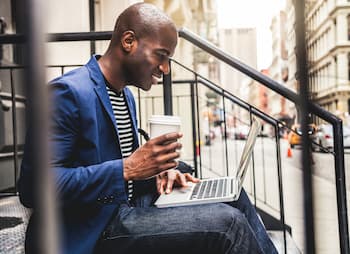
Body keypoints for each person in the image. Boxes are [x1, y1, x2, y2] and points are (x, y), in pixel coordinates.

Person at [18, 3, 277, 254]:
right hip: (93, 228)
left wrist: (156, 177)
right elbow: (33, 188)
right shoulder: (67, 93)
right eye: (161, 56)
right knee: (229, 225)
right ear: (128, 41)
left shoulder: (125, 96)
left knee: (234, 195)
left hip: (126, 206)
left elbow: (122, 174)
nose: (165, 69)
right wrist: (129, 168)